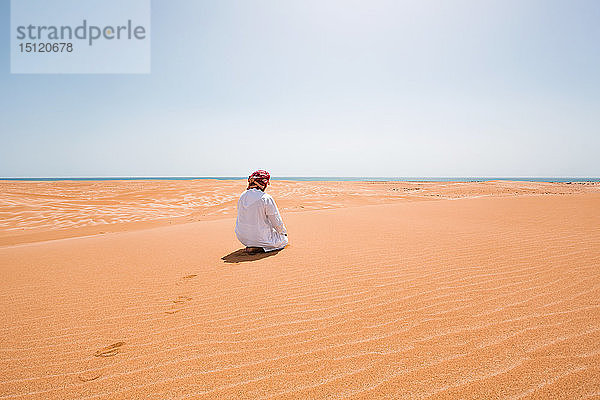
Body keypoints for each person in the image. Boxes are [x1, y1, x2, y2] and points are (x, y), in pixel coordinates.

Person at [235, 170, 288, 254]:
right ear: (264, 183)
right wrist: (283, 232)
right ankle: (260, 248)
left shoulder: (242, 196)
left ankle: (254, 245)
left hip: (243, 238)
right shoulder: (266, 198)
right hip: (260, 238)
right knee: (284, 240)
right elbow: (275, 220)